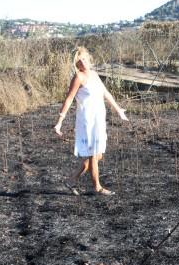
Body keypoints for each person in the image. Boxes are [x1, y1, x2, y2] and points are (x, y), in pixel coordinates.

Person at [54, 46, 129, 195]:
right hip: (87, 121)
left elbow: (105, 93)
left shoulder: (94, 74)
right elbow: (69, 99)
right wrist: (60, 121)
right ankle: (98, 187)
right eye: (79, 61)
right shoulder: (78, 77)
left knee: (98, 154)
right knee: (94, 154)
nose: (83, 62)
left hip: (99, 118)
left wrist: (118, 109)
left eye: (84, 58)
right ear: (76, 64)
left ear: (88, 58)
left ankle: (71, 180)